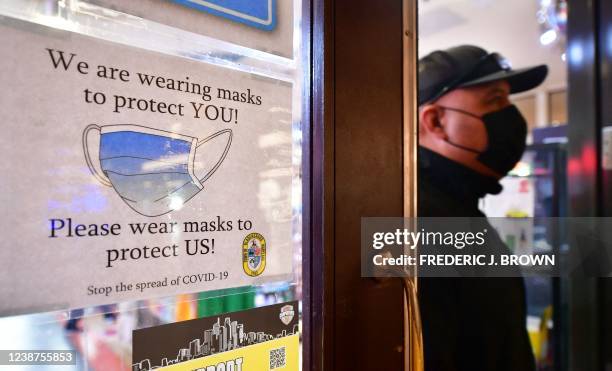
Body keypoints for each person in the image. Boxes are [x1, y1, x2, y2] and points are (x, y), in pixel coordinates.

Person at [417, 45, 548, 371]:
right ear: (435, 121)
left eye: (508, 100)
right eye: (494, 101)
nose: (511, 116)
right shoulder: (419, 223)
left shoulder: (457, 207)